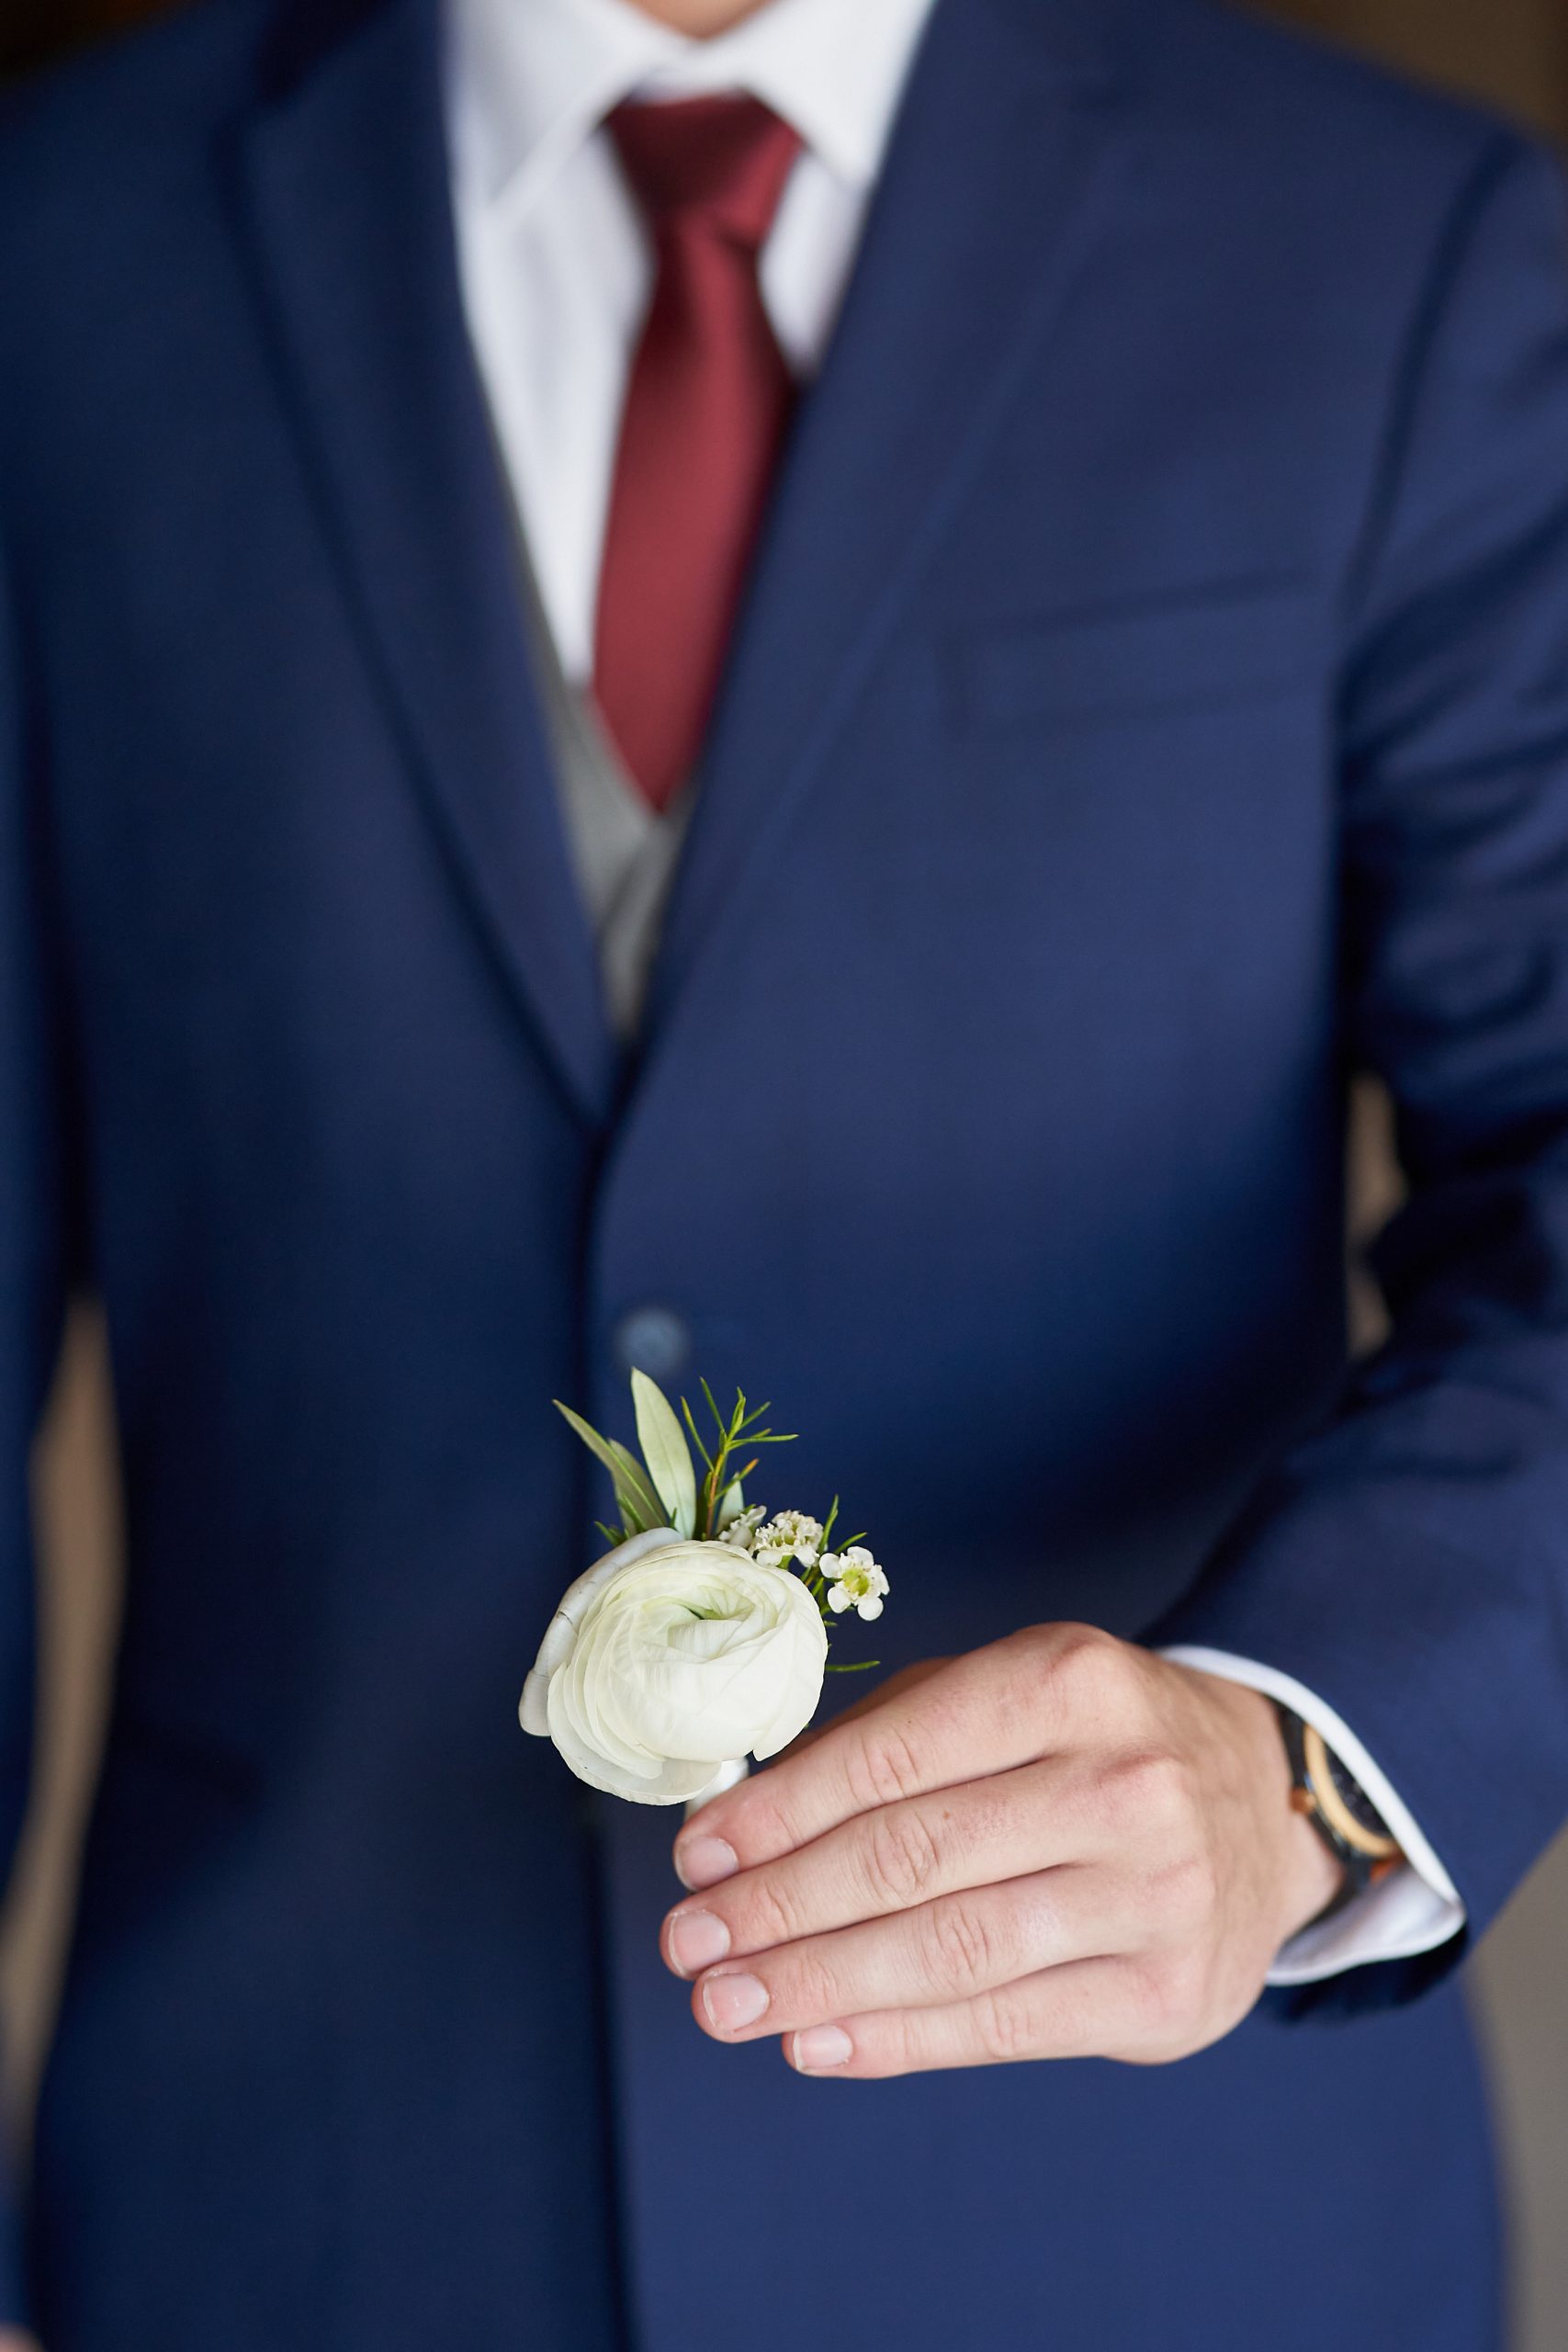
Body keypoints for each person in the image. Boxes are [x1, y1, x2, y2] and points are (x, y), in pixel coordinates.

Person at [2, 0, 1567, 2342]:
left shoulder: (1387, 245)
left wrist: (1295, 1763)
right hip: (290, 2201)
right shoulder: (59, 252)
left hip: (1159, 2221)